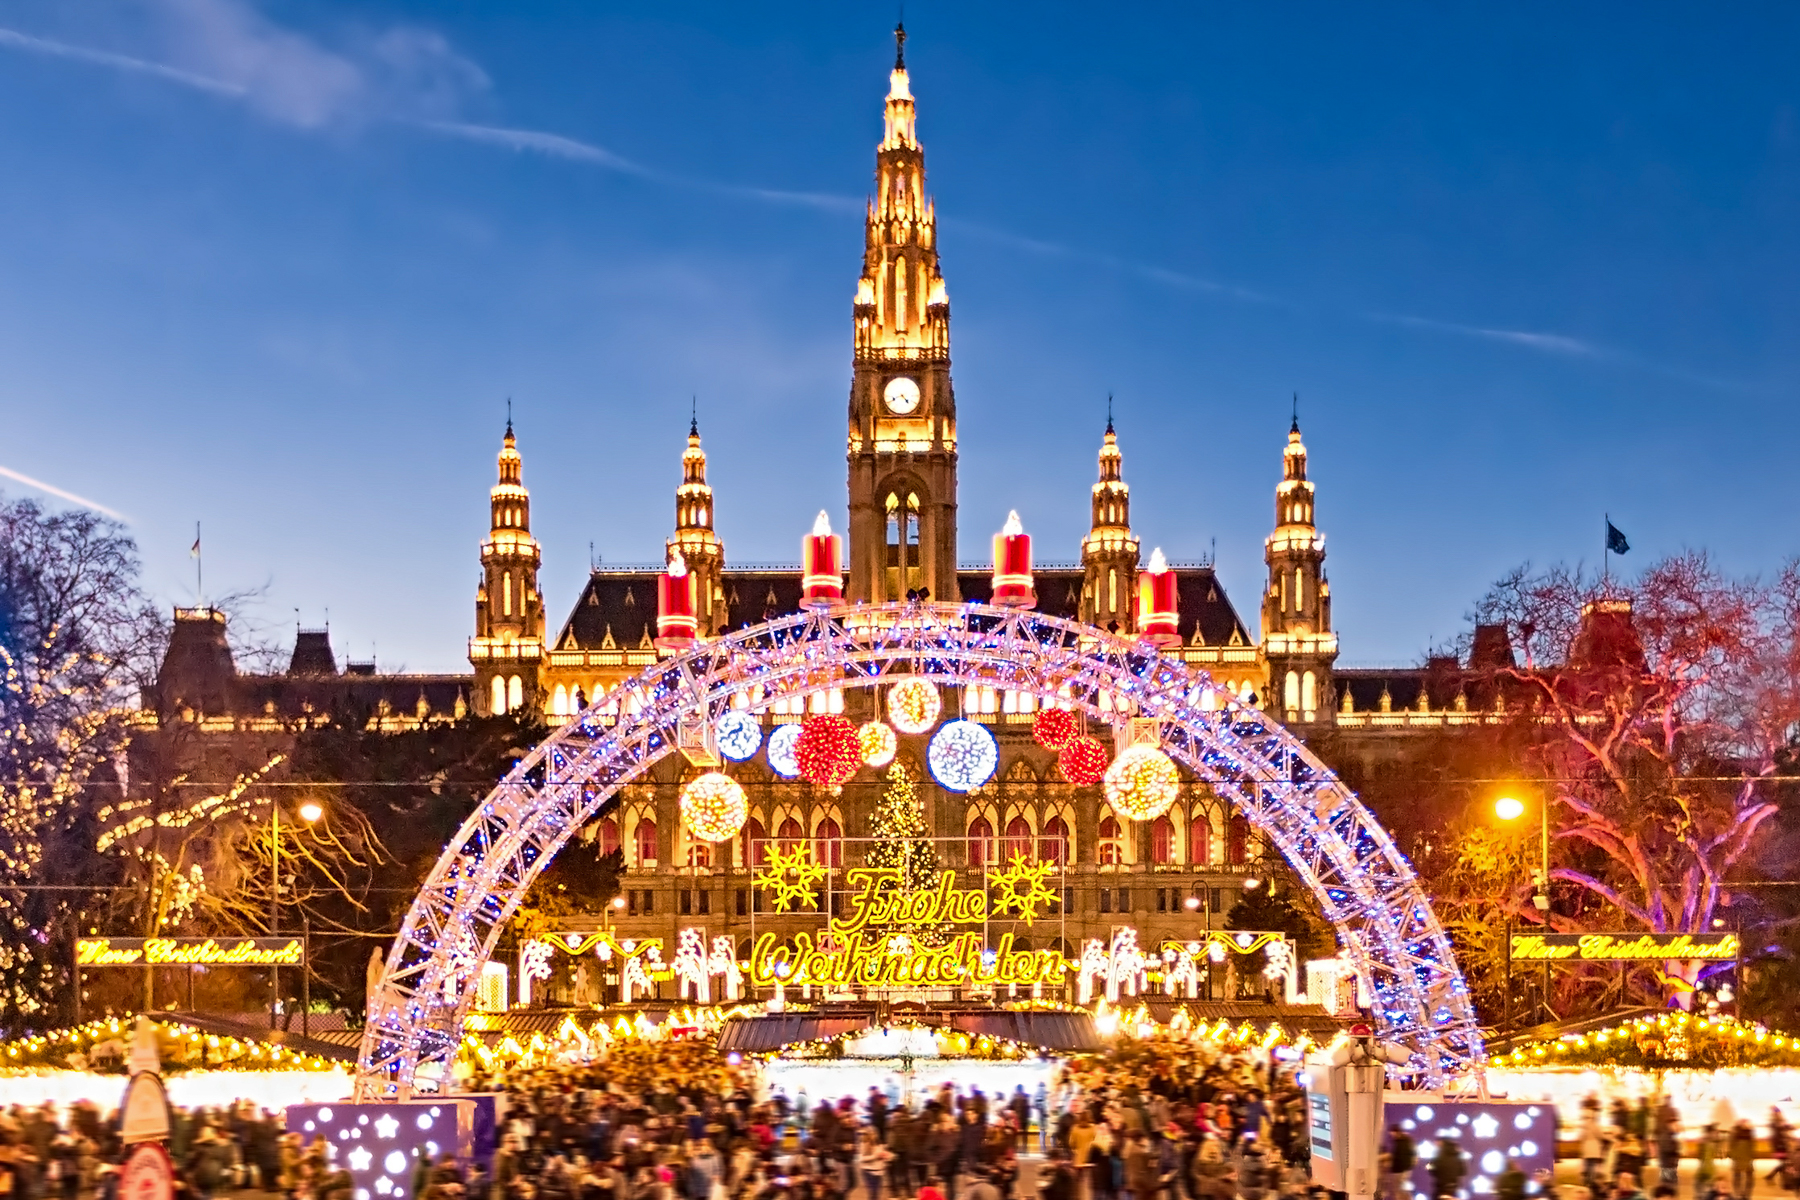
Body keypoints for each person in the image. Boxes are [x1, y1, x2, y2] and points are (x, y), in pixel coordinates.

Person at [1384, 1126, 1416, 1200]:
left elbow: (1398, 1155)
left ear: (1396, 1132)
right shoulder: (1405, 1141)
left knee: (1399, 1190)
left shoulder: (1402, 1142)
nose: (1392, 1135)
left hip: (1401, 1170)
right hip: (1402, 1169)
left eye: (1392, 1133)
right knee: (1401, 1190)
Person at [1429, 1136, 1466, 1200]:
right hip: (1453, 1189)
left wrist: (1429, 1166)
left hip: (1440, 1189)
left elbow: (1431, 1169)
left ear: (1442, 1143)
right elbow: (1463, 1171)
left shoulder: (1438, 1156)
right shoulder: (1458, 1156)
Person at [1729, 1122, 1757, 1200]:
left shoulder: (1735, 1134)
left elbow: (1731, 1145)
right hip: (1745, 1159)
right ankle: (1745, 1195)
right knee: (1748, 1178)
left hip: (1739, 1159)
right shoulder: (1749, 1134)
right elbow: (1752, 1146)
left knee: (1738, 1177)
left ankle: (1739, 1194)